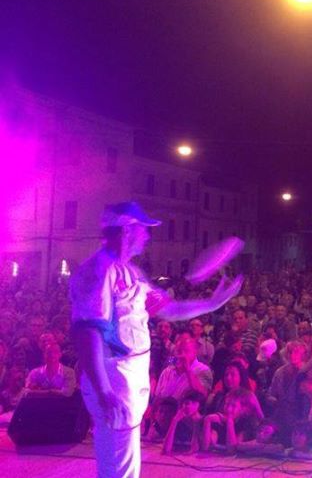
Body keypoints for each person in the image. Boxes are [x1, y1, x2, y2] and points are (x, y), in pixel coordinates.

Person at [71, 201, 242, 478]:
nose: (148, 236)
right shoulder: (98, 271)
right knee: (118, 464)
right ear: (127, 230)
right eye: (143, 229)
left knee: (124, 460)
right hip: (113, 375)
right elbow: (87, 332)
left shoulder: (132, 273)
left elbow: (170, 310)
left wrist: (212, 303)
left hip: (127, 377)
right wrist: (103, 390)